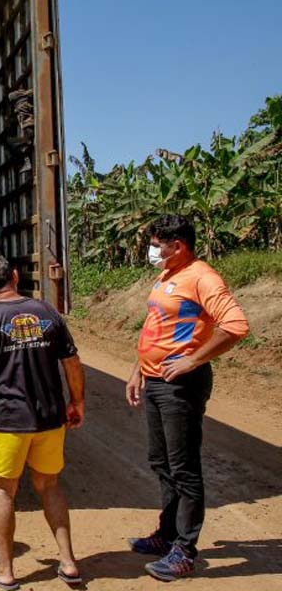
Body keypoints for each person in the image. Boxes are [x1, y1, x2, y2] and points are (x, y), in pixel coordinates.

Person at [125, 215, 249, 581]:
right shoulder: (168, 274)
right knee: (161, 461)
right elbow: (158, 327)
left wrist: (193, 360)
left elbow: (235, 325)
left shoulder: (202, 278)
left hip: (181, 386)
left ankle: (184, 551)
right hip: (155, 380)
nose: (151, 251)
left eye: (156, 244)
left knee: (183, 467)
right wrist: (138, 369)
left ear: (177, 246)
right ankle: (167, 535)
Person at [0, 255, 85, 590]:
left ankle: (6, 570)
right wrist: (77, 402)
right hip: (50, 417)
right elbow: (71, 361)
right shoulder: (47, 311)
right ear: (15, 276)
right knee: (50, 486)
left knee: (3, 490)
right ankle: (69, 562)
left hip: (10, 421)